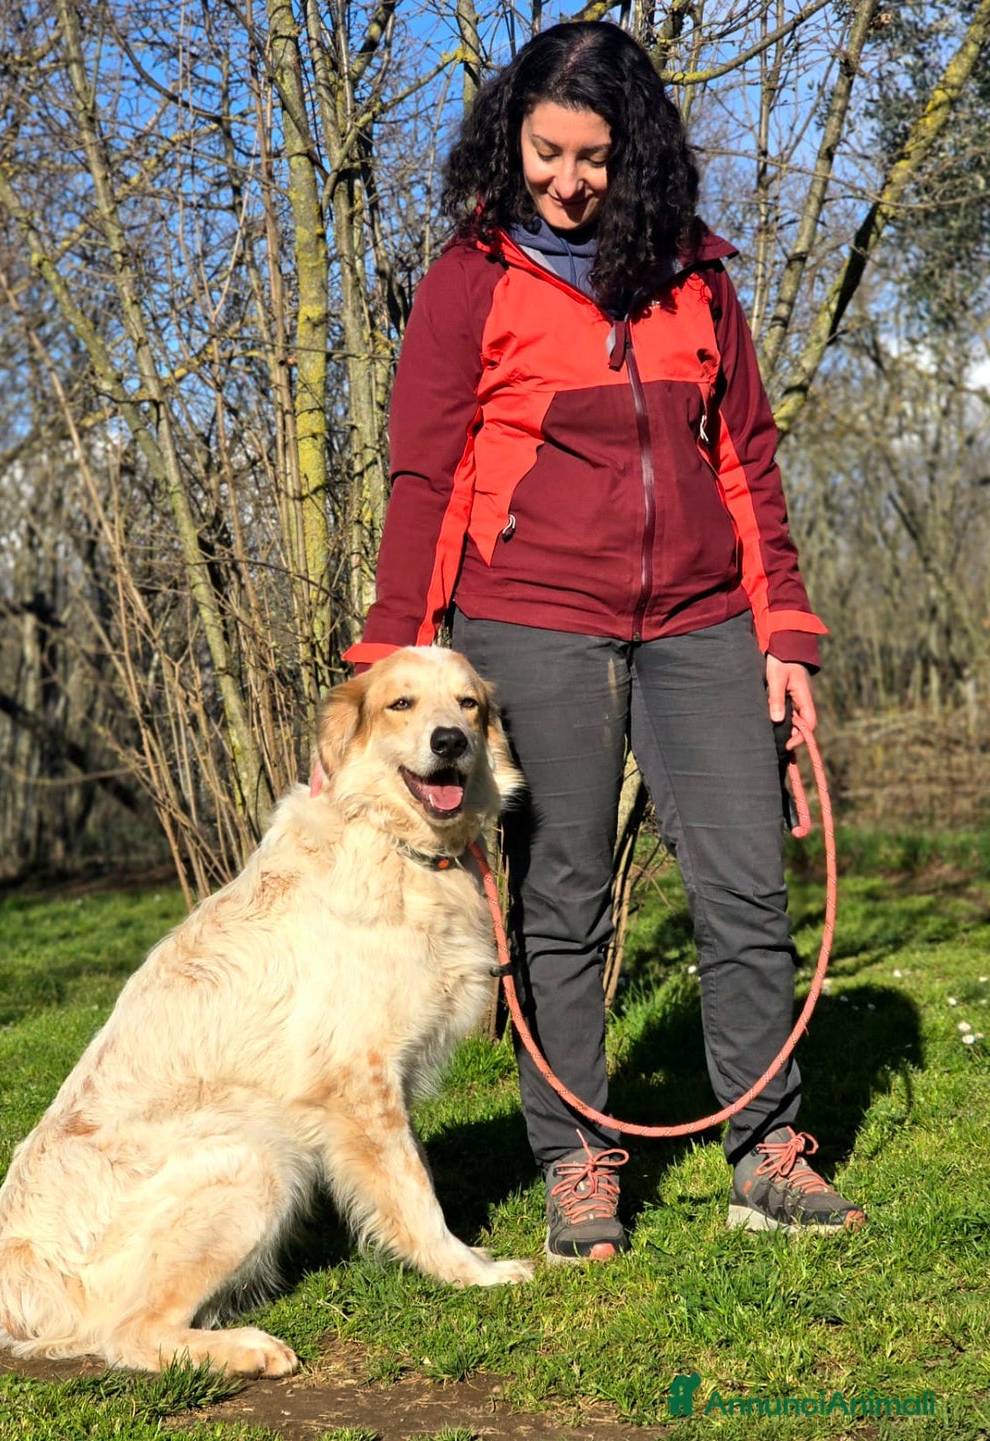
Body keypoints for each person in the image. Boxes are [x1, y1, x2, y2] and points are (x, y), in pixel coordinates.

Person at [345, 20, 866, 1262]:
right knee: (562, 899)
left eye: (593, 157)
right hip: (530, 616)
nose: (567, 181)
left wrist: (782, 627)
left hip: (702, 619)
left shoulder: (695, 272)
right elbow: (427, 475)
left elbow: (745, 459)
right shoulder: (469, 279)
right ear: (510, 138)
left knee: (744, 884)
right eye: (546, 152)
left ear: (635, 157)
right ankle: (579, 1162)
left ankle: (767, 1153)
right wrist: (392, 649)